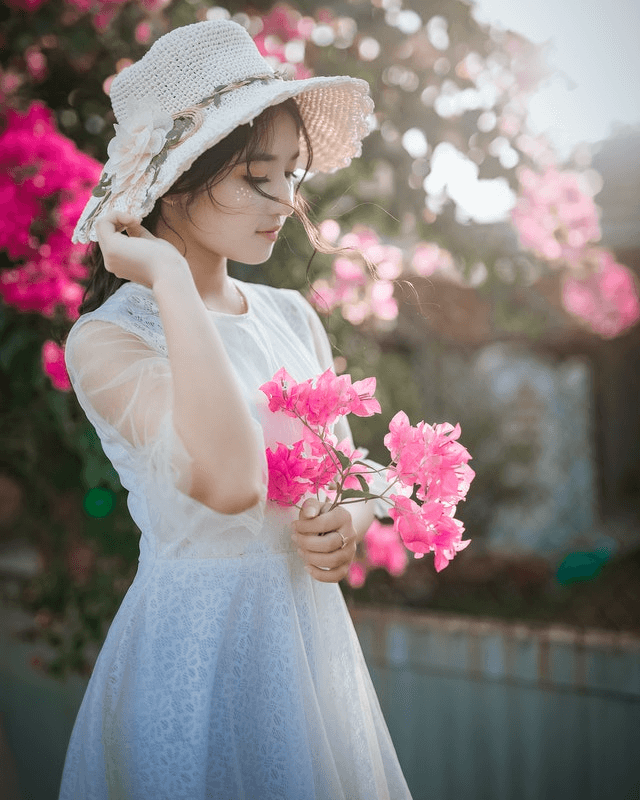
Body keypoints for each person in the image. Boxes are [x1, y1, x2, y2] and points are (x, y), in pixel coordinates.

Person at [59, 19, 413, 800]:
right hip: (194, 651)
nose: (286, 200)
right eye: (259, 176)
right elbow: (229, 481)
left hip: (310, 651)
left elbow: (356, 472)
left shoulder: (292, 315)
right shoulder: (107, 341)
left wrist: (346, 525)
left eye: (293, 174)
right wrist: (170, 282)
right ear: (177, 179)